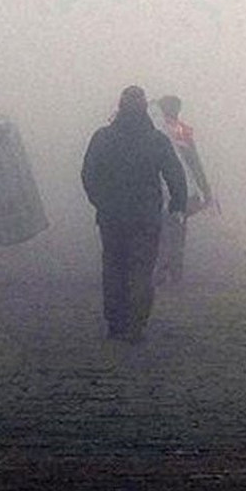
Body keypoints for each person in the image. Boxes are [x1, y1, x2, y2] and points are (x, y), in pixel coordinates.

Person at [81, 86, 187, 342]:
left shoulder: (103, 137)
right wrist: (177, 204)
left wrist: (100, 202)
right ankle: (136, 324)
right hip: (146, 216)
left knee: (114, 267)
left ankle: (115, 322)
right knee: (141, 269)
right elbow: (175, 174)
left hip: (112, 216)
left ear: (119, 107)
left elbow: (88, 174)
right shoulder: (157, 140)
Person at [153, 94, 216, 285]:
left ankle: (162, 269)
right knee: (178, 230)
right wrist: (205, 189)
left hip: (160, 188)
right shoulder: (182, 131)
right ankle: (175, 271)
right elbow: (194, 162)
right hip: (184, 189)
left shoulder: (154, 130)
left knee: (162, 230)